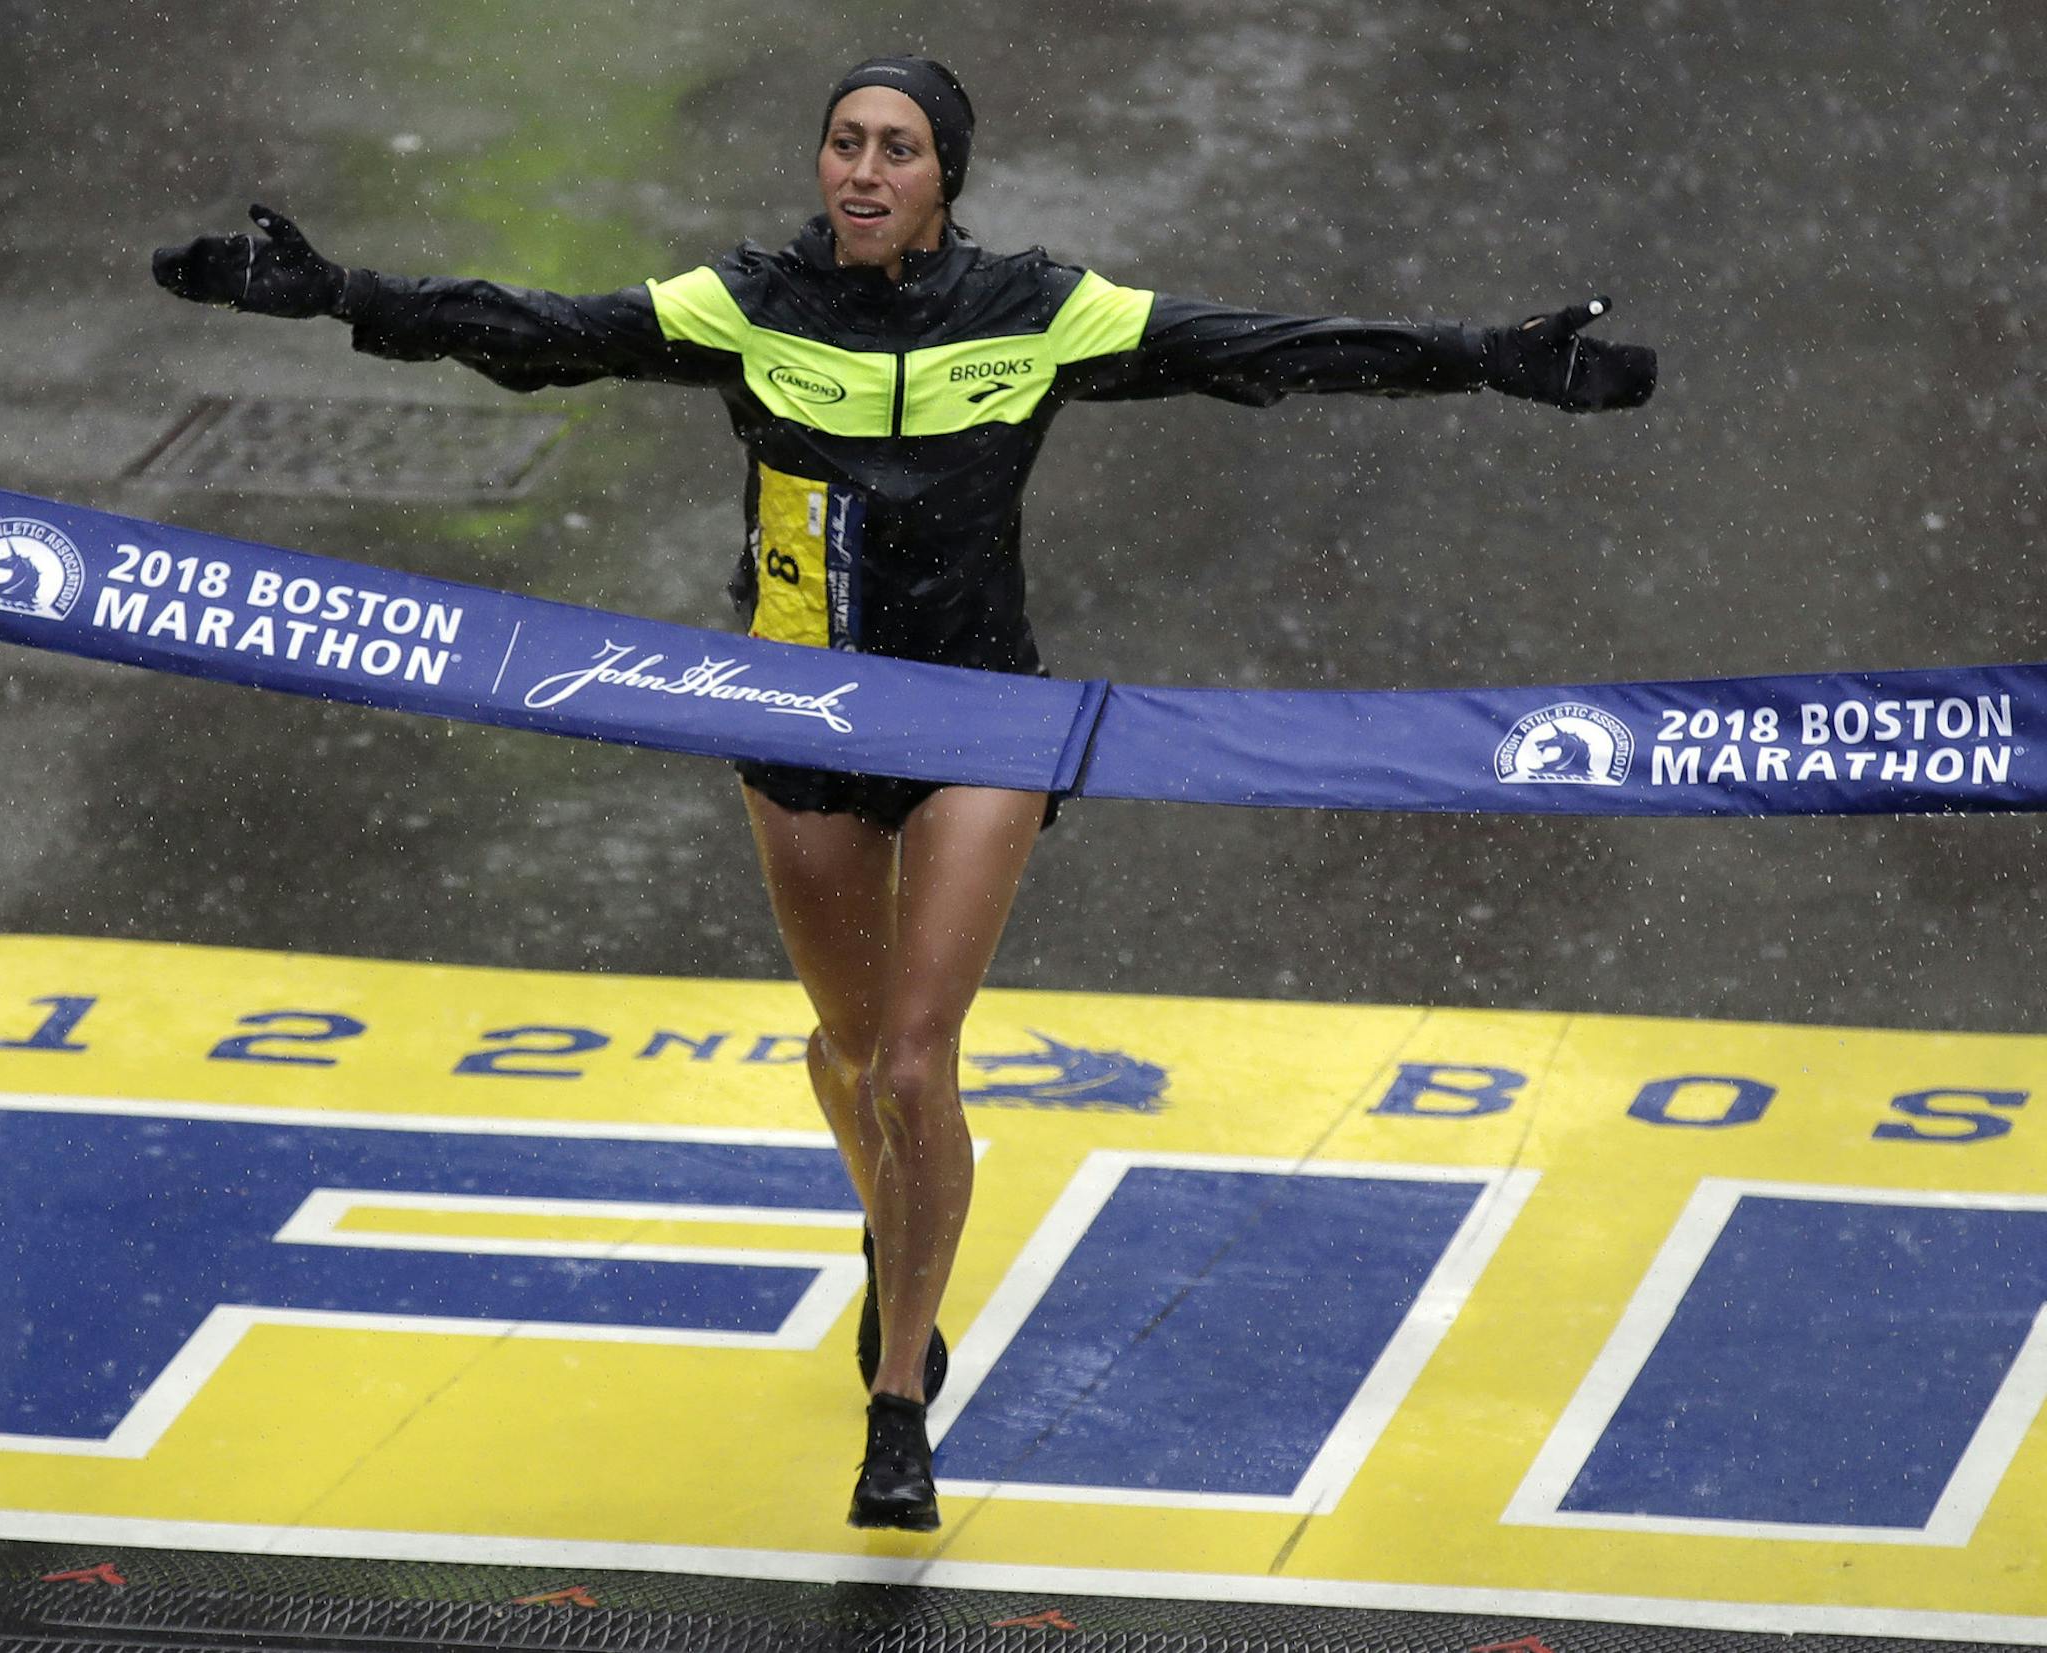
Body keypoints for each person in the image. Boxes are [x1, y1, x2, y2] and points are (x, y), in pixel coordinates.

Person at [151, 53, 1656, 1532]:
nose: (863, 171)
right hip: (798, 708)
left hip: (976, 718)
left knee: (916, 1066)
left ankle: (897, 1409)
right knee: (853, 1049)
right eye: (845, 144)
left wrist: (1480, 353)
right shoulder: (751, 303)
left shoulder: (1038, 310)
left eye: (898, 150)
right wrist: (341, 292)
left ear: (948, 180)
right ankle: (898, 1229)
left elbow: (1258, 350)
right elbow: (545, 331)